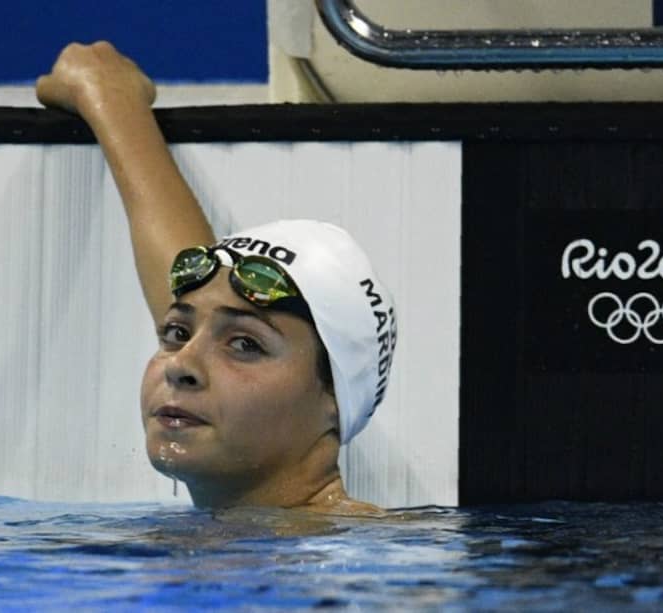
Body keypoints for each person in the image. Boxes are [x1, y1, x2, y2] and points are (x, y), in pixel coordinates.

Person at [36, 41, 396, 515]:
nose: (180, 364)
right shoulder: (236, 545)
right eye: (176, 332)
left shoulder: (373, 568)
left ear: (335, 397)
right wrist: (110, 98)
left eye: (246, 345)